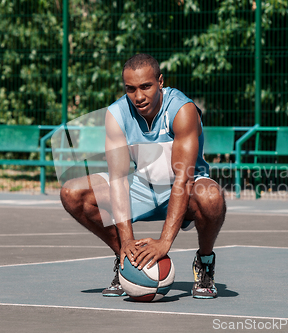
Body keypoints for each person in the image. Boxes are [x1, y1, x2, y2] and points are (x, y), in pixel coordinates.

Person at [60, 54, 225, 299]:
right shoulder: (117, 114)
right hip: (143, 188)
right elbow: (117, 178)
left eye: (145, 86)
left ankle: (205, 262)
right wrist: (127, 241)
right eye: (131, 89)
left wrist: (164, 241)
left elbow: (184, 179)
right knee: (73, 193)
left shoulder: (182, 110)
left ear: (160, 81)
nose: (138, 96)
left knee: (212, 197)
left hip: (184, 191)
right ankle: (127, 262)